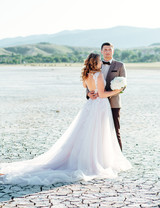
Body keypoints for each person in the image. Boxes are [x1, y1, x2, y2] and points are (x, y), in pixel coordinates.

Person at [0, 53, 131, 185]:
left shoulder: (86, 75)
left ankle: (91, 158)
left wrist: (91, 92)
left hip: (90, 105)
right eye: (99, 62)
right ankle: (97, 160)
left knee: (87, 133)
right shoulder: (99, 75)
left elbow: (88, 89)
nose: (102, 63)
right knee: (98, 133)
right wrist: (117, 91)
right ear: (96, 62)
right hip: (100, 106)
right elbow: (102, 94)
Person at [87, 42, 126, 150]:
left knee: (115, 130)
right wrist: (88, 93)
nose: (107, 51)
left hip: (114, 103)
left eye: (109, 49)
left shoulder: (120, 65)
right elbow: (89, 82)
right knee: (97, 131)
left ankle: (118, 158)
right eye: (105, 49)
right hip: (97, 103)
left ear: (113, 51)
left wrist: (113, 92)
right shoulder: (96, 64)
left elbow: (124, 84)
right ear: (101, 51)